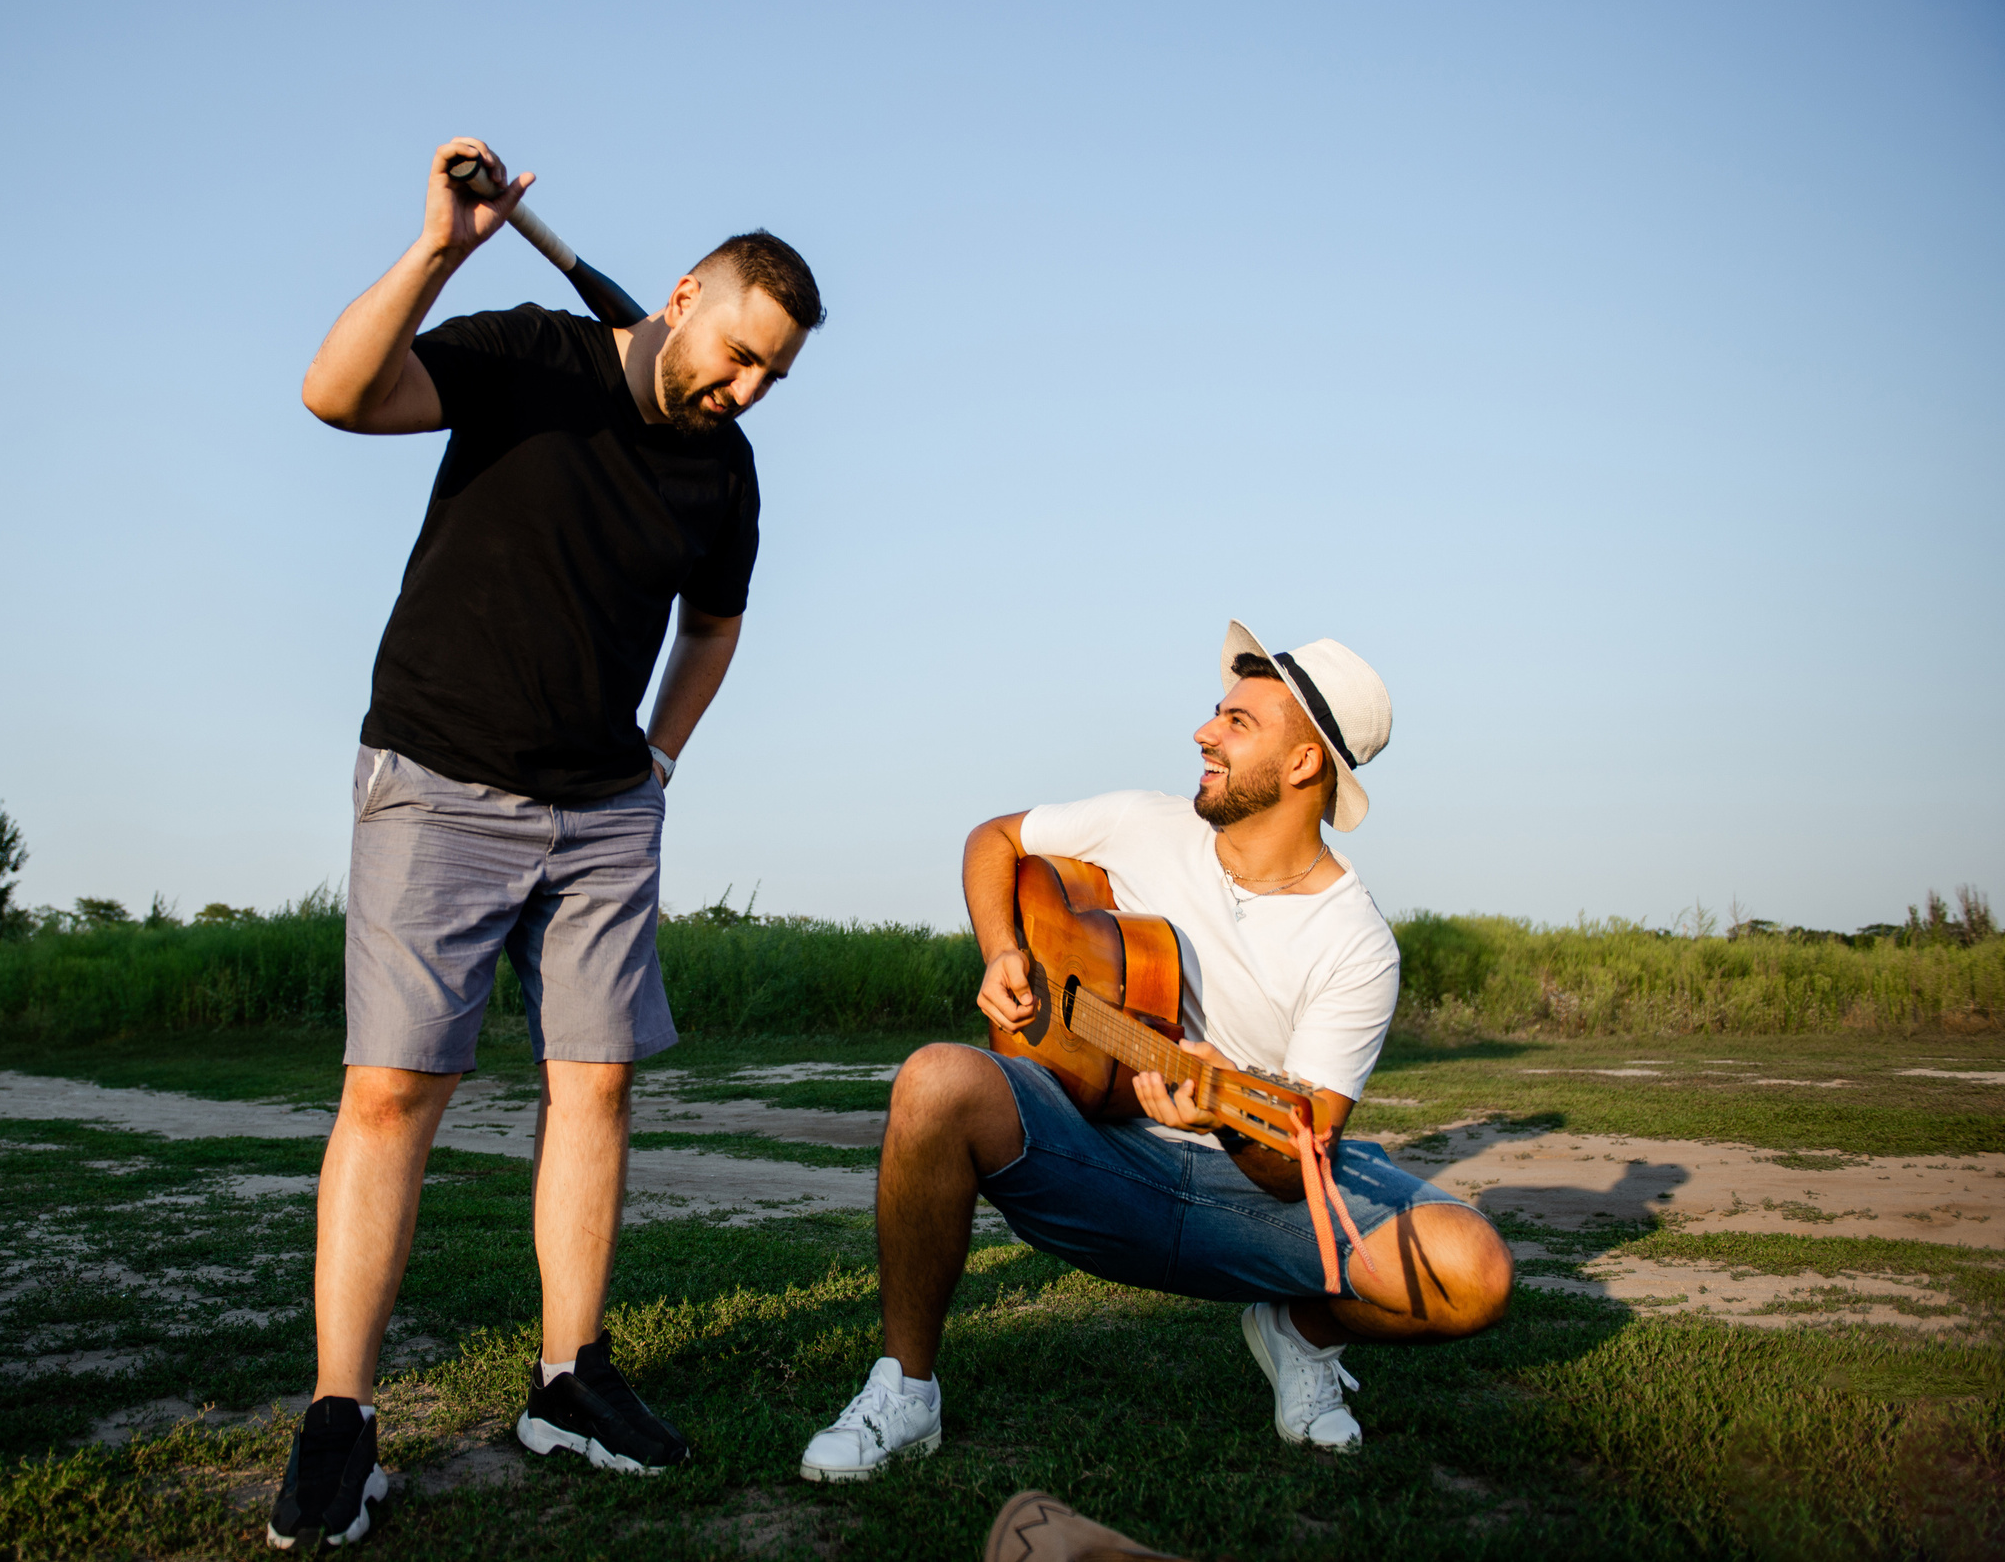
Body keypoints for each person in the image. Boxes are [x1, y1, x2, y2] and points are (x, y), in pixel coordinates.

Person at [270, 138, 823, 1549]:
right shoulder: (529, 354)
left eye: (771, 376)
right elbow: (338, 394)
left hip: (603, 812)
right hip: (439, 778)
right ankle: (341, 1417)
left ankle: (567, 1380)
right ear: (686, 297)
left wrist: (658, 762)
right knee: (393, 1092)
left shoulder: (725, 471)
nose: (745, 389)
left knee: (597, 1086)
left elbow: (714, 625)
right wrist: (437, 250)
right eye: (739, 354)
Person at [799, 622, 1514, 1482]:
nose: (1204, 732)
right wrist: (1001, 948)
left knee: (1473, 1270)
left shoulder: (1356, 943)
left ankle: (1298, 1330)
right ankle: (906, 1387)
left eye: (1238, 722)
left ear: (1302, 763)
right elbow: (995, 837)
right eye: (1217, 712)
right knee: (933, 1078)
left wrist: (1225, 1115)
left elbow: (1294, 1171)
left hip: (1249, 1199)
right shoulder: (1143, 822)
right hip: (1099, 1154)